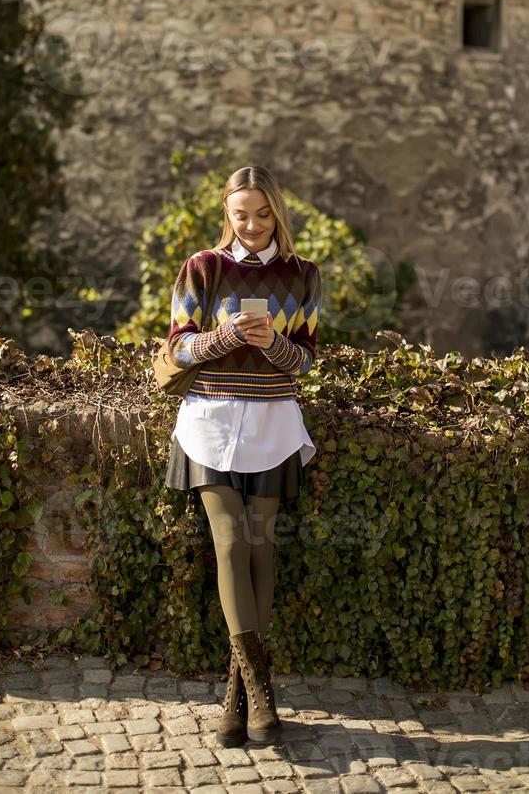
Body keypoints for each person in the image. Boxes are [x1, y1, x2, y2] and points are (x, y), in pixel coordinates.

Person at [164, 165, 323, 747]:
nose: (252, 225)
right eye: (241, 215)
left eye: (262, 214)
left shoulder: (304, 274)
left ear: (276, 212)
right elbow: (179, 345)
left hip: (273, 422)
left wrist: (273, 344)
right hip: (207, 421)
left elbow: (305, 360)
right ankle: (262, 689)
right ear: (227, 215)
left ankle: (236, 694)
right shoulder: (201, 268)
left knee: (260, 546)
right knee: (230, 540)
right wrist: (226, 337)